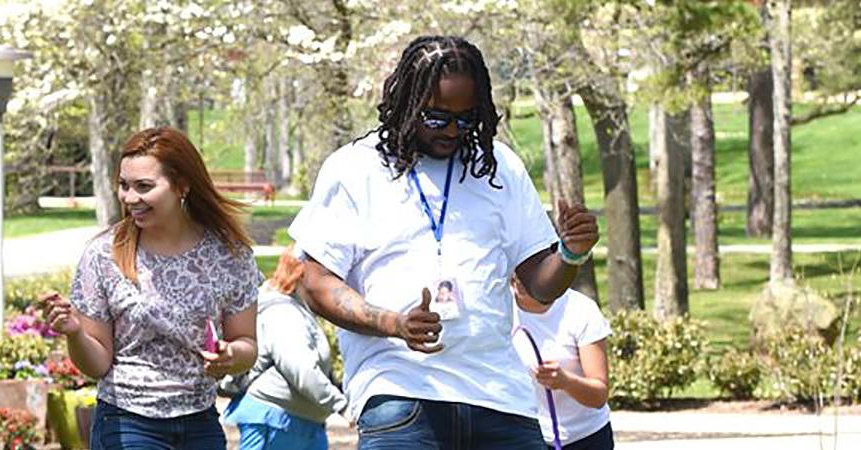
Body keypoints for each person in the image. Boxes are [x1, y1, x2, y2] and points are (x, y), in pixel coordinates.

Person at [286, 35, 601, 450]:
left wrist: (570, 253)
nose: (453, 130)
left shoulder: (500, 167)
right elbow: (316, 282)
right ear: (406, 105)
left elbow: (541, 284)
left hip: (499, 395)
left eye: (466, 119)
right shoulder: (355, 168)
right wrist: (393, 323)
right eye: (436, 118)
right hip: (400, 391)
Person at [43, 127, 262, 450]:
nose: (130, 198)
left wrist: (231, 355)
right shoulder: (103, 255)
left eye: (144, 187)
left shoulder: (229, 255)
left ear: (182, 186)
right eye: (123, 185)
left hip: (200, 419)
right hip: (126, 421)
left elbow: (248, 345)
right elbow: (97, 365)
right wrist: (74, 333)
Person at [220, 245, 346, 450]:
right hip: (277, 419)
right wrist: (341, 405)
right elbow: (300, 369)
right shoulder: (284, 313)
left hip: (300, 420)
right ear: (303, 274)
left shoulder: (296, 308)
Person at [511, 276, 613, 450]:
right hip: (526, 436)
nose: (518, 275)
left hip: (585, 437)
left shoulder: (580, 309)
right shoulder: (499, 309)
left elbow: (599, 396)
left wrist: (565, 381)